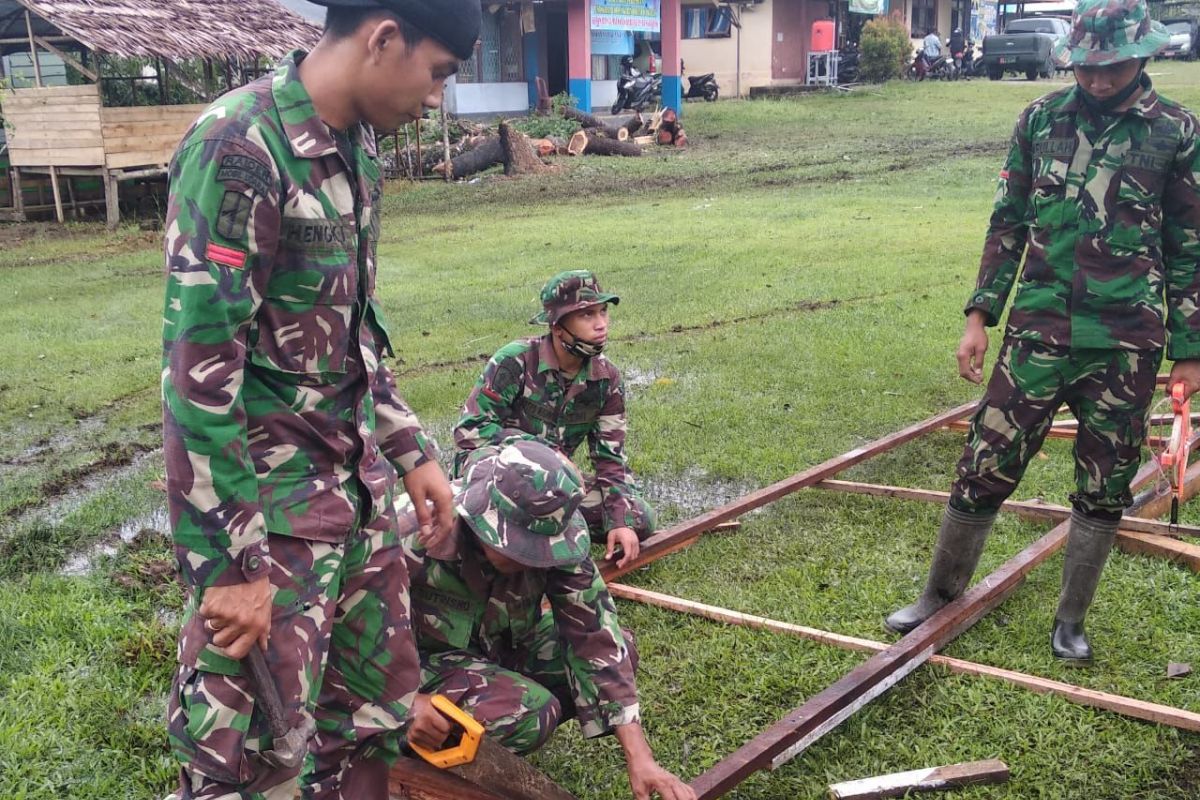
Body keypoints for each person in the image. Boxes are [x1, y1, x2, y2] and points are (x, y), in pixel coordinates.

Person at [160, 1, 478, 797]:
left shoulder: (357, 147)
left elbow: (352, 329)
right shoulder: (240, 145)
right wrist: (232, 567)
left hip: (356, 499)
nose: (436, 97)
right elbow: (201, 372)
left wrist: (409, 449)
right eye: (437, 72)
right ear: (383, 38)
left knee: (372, 720)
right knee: (253, 760)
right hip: (270, 519)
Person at [886, 0, 1200, 664]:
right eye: (1085, 68)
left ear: (1141, 56)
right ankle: (938, 595)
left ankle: (1070, 621)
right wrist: (979, 317)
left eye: (1109, 67)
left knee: (1105, 482)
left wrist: (1190, 352)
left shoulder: (1175, 132)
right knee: (983, 463)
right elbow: (1007, 223)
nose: (1096, 80)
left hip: (1126, 343)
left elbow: (1189, 246)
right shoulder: (1040, 120)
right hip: (1036, 332)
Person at [402, 440, 696, 800]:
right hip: (411, 669)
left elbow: (595, 637)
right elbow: (331, 638)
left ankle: (482, 710)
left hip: (502, 646)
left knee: (622, 651)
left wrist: (642, 759)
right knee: (527, 713)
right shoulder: (411, 534)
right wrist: (405, 705)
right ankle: (404, 754)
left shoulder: (557, 539)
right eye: (520, 545)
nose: (531, 558)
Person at [453, 270, 656, 569]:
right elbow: (470, 431)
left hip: (549, 486)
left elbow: (610, 460)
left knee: (638, 515)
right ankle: (484, 528)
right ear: (557, 326)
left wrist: (620, 520)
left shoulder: (606, 379)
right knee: (483, 473)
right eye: (586, 315)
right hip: (492, 477)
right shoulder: (516, 361)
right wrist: (546, 453)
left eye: (603, 312)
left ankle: (539, 530)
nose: (600, 324)